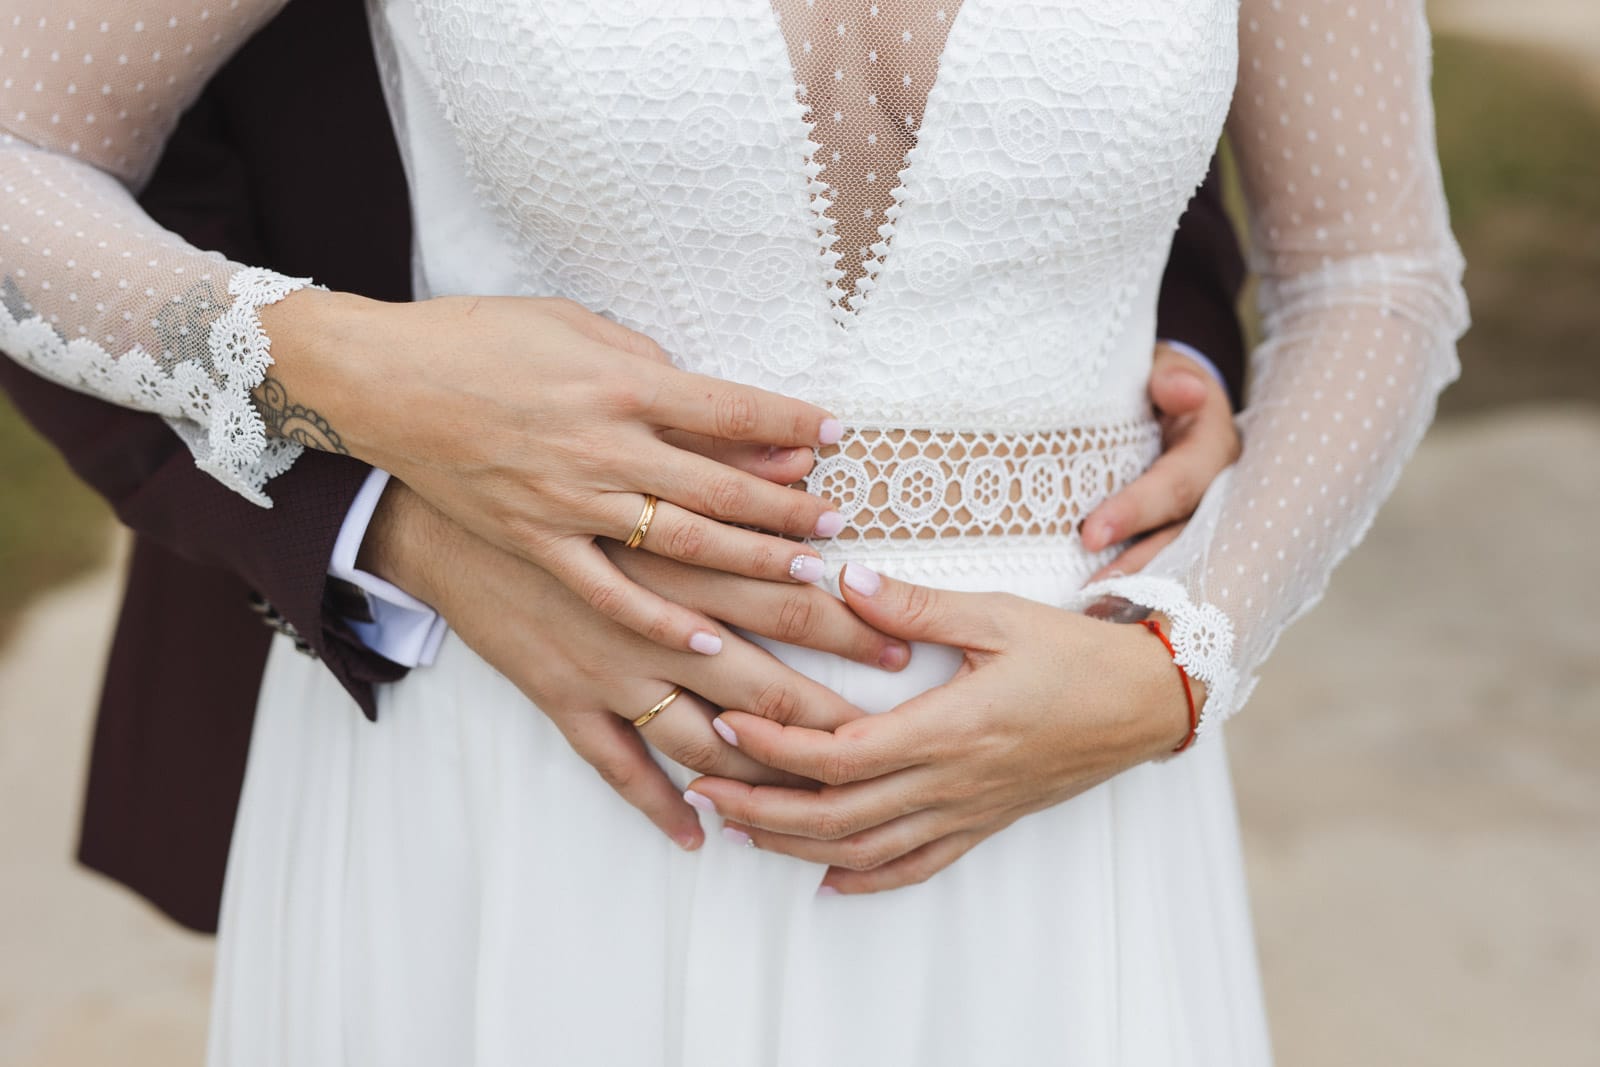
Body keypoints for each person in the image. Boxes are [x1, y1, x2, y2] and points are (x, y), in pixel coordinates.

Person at [0, 1, 1469, 1064]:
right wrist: (353, 371)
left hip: (1052, 777)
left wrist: (1182, 656)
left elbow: (1372, 269)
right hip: (535, 754)